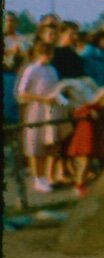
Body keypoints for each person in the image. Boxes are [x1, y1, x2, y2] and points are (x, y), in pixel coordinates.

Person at [16, 38, 62, 192]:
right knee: (35, 144)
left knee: (50, 143)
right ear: (38, 53)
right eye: (45, 53)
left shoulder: (53, 69)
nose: (48, 56)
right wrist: (42, 99)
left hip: (51, 110)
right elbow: (22, 93)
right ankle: (37, 178)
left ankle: (47, 176)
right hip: (36, 110)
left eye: (50, 53)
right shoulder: (31, 69)